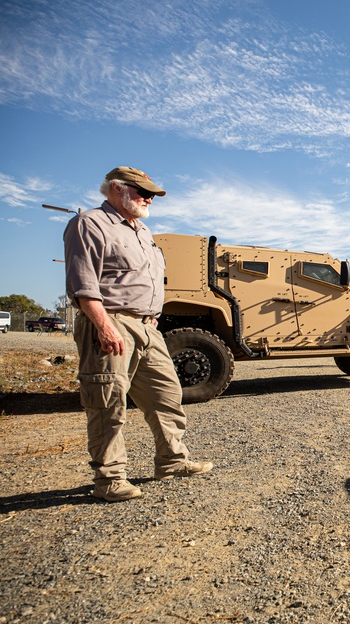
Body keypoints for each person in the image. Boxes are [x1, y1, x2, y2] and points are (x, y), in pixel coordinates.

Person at [63, 166, 213, 502]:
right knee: (107, 401)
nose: (148, 198)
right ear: (116, 189)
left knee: (166, 394)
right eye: (141, 191)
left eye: (152, 194)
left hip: (147, 327)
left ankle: (172, 461)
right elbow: (83, 283)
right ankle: (110, 479)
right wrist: (103, 325)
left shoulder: (142, 231)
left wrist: (152, 319)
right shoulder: (89, 224)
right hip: (111, 321)